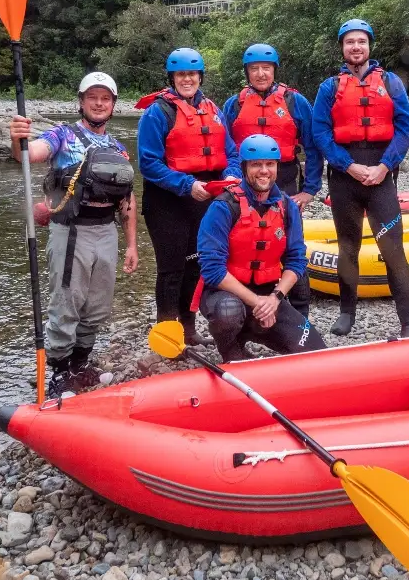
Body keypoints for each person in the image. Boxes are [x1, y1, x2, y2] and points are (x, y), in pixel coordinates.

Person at [8, 71, 139, 398]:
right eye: (92, 97)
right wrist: (18, 139)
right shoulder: (62, 136)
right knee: (67, 302)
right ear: (81, 102)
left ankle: (80, 364)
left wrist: (132, 244)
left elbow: (127, 200)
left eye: (105, 98)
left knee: (97, 306)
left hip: (106, 231)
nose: (99, 103)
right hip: (70, 232)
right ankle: (60, 372)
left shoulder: (118, 148)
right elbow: (29, 153)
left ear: (113, 105)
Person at [311, 19, 409, 338]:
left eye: (361, 41)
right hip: (346, 176)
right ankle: (347, 312)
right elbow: (320, 132)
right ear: (342, 48)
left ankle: (408, 321)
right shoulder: (329, 87)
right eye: (349, 42)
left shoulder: (390, 83)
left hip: (381, 174)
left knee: (392, 248)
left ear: (370, 46)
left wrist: (385, 166)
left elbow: (404, 127)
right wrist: (348, 165)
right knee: (348, 247)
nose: (355, 47)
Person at [137, 48, 242, 345]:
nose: (187, 79)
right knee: (171, 268)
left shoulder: (213, 109)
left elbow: (231, 152)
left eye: (192, 74)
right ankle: (169, 338)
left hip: (205, 197)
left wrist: (231, 173)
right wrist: (186, 185)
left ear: (200, 77)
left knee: (197, 264)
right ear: (172, 77)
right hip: (167, 200)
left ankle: (189, 329)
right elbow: (148, 163)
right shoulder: (158, 112)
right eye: (181, 74)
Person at [196, 134, 327, 362]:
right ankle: (231, 350)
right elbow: (212, 270)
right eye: (256, 164)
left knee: (316, 352)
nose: (264, 171)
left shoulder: (287, 206)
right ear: (245, 167)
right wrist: (258, 302)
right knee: (228, 310)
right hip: (226, 295)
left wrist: (275, 299)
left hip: (269, 295)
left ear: (277, 167)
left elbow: (296, 260)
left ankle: (255, 331)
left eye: (270, 164)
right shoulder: (223, 207)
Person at [222, 43, 323, 317]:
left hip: (286, 180)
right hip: (246, 184)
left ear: (274, 70)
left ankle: (300, 313)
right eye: (254, 69)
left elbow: (313, 148)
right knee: (247, 242)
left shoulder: (294, 102)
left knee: (291, 246)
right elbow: (225, 147)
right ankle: (248, 306)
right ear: (247, 72)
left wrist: (310, 190)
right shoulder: (235, 104)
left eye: (266, 68)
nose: (260, 74)